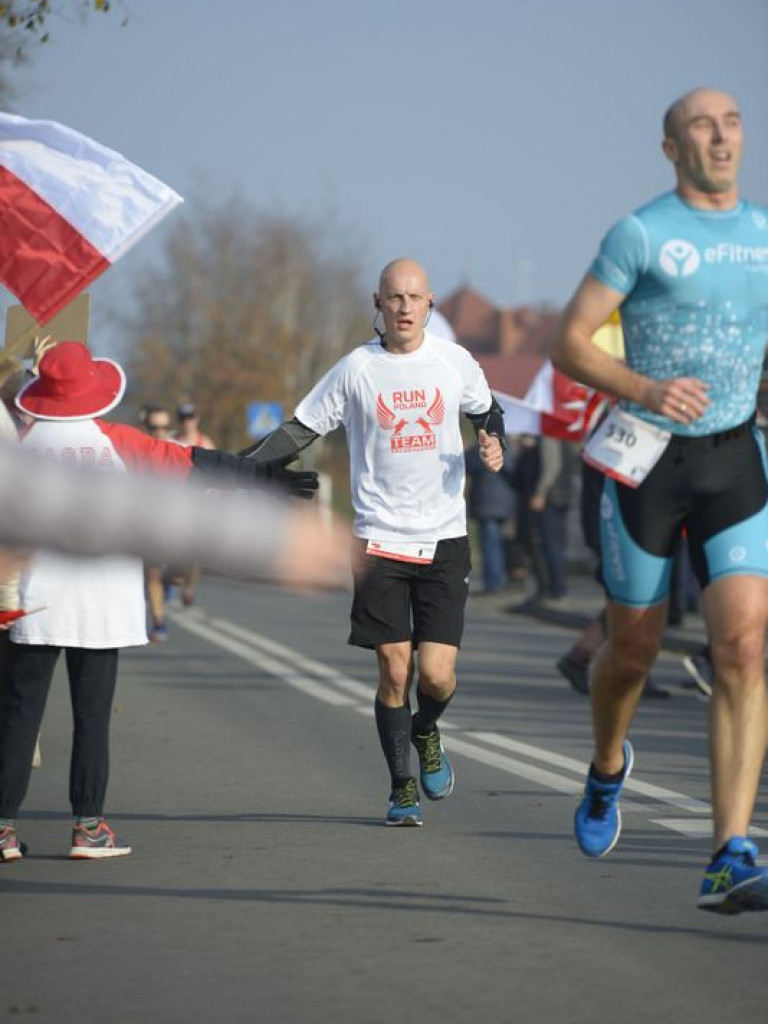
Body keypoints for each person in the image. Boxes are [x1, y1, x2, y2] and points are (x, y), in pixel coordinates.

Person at [551, 88, 768, 914]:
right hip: (644, 461)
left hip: (735, 460)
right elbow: (568, 341)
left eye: (733, 121)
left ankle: (730, 852)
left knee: (744, 652)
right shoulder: (641, 233)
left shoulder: (762, 236)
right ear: (672, 149)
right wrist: (644, 385)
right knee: (632, 651)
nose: (722, 136)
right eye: (702, 126)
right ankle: (608, 766)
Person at [0, 341, 319, 862]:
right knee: (91, 718)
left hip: (35, 599)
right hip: (101, 603)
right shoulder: (121, 443)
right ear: (94, 393)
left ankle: (2, 830)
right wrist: (262, 477)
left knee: (18, 717)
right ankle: (88, 829)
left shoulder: (22, 447)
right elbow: (195, 464)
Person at [241, 258, 505, 826]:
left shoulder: (454, 362)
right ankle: (401, 787)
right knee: (394, 671)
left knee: (435, 675)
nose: (405, 307)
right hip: (379, 538)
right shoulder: (355, 369)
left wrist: (492, 440)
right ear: (378, 304)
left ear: (430, 303)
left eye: (415, 297)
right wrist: (239, 467)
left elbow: (488, 411)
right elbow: (301, 427)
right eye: (394, 297)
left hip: (443, 538)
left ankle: (427, 728)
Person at [172, 401, 216, 607]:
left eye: (190, 417)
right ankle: (172, 581)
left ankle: (189, 588)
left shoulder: (205, 443)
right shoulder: (171, 442)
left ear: (196, 419)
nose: (187, 422)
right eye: (183, 418)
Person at [465, 440, 517, 593]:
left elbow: (467, 464)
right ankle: (500, 579)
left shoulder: (480, 448)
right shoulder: (508, 447)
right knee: (499, 543)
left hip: (487, 503)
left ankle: (493, 583)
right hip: (505, 502)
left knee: (490, 545)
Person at [142, 406, 176, 641]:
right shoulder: (135, 450)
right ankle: (158, 621)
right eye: (155, 428)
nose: (160, 432)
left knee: (178, 575)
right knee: (153, 574)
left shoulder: (180, 450)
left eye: (164, 427)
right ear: (146, 428)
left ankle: (172, 581)